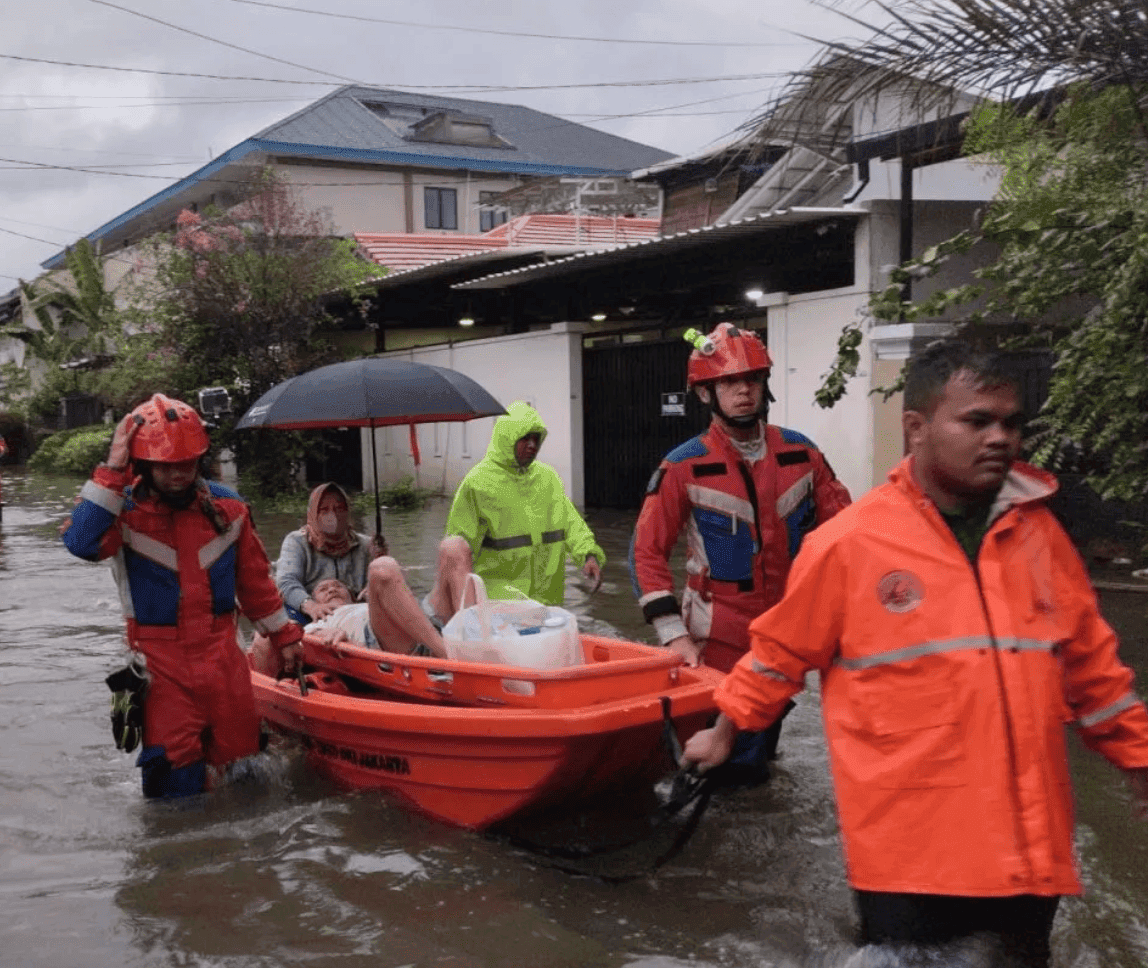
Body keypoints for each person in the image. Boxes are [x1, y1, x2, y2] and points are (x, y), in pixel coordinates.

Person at [682, 339, 1148, 967]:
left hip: (1029, 851)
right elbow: (779, 653)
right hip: (909, 857)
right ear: (916, 428)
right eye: (976, 421)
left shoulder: (1040, 537)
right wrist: (723, 732)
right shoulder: (850, 546)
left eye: (1010, 423)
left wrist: (1138, 759)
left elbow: (1094, 674)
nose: (999, 438)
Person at [630, 323, 852, 784]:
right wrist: (674, 636)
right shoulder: (683, 465)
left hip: (785, 635)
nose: (744, 391)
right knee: (727, 769)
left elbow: (846, 534)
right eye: (729, 382)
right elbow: (646, 554)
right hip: (715, 638)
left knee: (762, 749)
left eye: (752, 379)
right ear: (706, 393)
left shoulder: (802, 453)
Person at [61, 393, 304, 799]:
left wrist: (285, 636)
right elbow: (80, 542)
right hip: (160, 668)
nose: (178, 474)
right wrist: (113, 467)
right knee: (174, 790)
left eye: (186, 464)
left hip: (224, 658)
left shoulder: (230, 508)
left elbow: (255, 584)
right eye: (166, 465)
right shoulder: (120, 512)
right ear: (143, 463)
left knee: (246, 775)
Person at [445, 400, 603, 606]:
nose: (532, 445)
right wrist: (464, 608)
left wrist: (588, 555)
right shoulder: (477, 483)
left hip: (547, 602)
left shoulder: (548, 479)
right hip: (499, 604)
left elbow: (572, 524)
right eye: (525, 438)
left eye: (536, 439)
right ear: (507, 437)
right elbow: (458, 551)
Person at [251, 537, 477, 677]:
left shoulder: (365, 604)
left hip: (423, 622)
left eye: (338, 586)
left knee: (454, 547)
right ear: (316, 602)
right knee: (382, 569)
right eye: (323, 589)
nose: (331, 589)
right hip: (390, 641)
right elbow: (301, 639)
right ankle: (456, 660)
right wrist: (325, 633)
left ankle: (475, 642)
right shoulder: (319, 623)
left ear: (353, 596)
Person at [275, 482, 386, 624]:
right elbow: (286, 582)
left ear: (347, 512)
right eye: (324, 510)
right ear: (313, 514)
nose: (332, 515)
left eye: (339, 509)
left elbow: (384, 583)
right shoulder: (297, 541)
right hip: (309, 616)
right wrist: (311, 606)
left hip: (356, 614)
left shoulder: (366, 544)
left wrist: (377, 580)